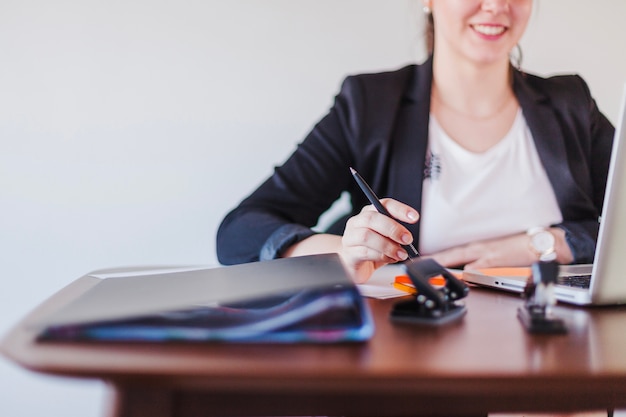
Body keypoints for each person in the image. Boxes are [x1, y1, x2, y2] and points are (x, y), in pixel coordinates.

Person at [216, 0, 615, 284]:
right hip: (418, 346)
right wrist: (344, 252)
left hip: (557, 348)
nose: (496, 5)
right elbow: (239, 232)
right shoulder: (369, 104)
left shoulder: (571, 103)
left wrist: (543, 244)